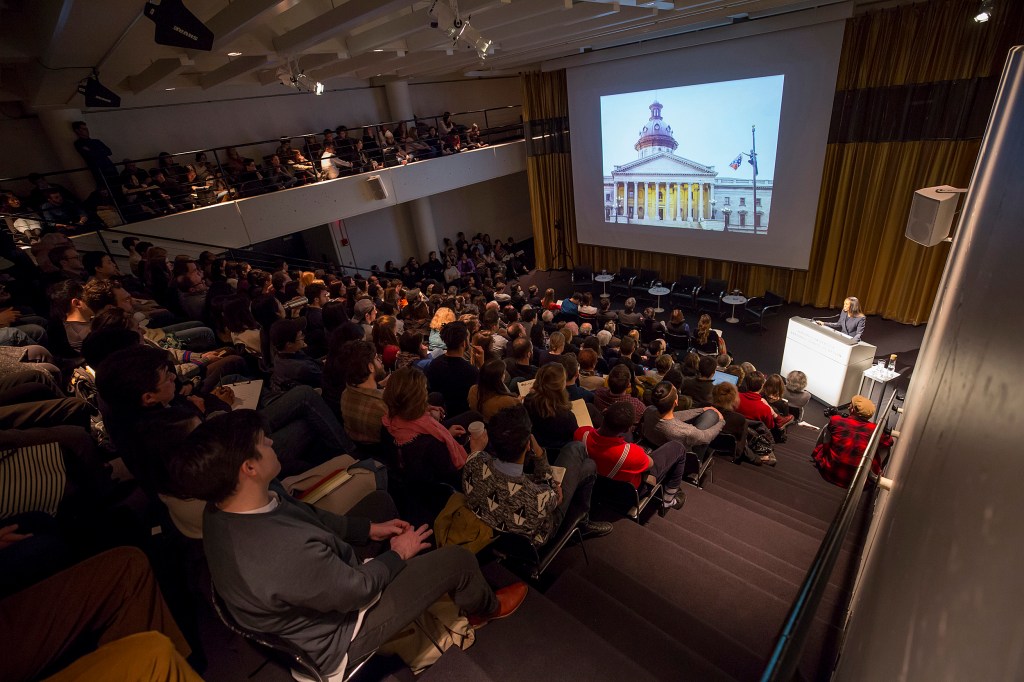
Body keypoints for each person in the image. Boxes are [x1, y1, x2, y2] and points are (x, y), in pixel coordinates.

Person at [172, 409, 526, 678]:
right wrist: (397, 555)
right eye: (264, 441)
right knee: (458, 560)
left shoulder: (226, 507)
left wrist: (368, 530)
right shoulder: (279, 553)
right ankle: (487, 607)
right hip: (339, 635)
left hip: (323, 584)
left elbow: (309, 516)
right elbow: (356, 591)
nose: (272, 442)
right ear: (249, 467)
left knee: (381, 506)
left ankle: (422, 576)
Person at [462, 404, 612, 545]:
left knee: (582, 457)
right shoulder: (539, 495)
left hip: (494, 529)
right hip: (537, 536)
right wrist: (539, 454)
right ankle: (583, 523)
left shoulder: (472, 461)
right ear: (528, 444)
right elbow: (555, 491)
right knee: (586, 460)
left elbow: (476, 454)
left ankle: (583, 520)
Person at [812, 394, 893, 488]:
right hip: (860, 481)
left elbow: (827, 440)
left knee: (828, 428)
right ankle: (876, 473)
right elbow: (890, 442)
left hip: (830, 472)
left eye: (851, 405)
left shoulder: (836, 420)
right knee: (884, 446)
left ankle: (818, 456)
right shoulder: (875, 430)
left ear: (852, 410)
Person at [642, 381, 725, 450]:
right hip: (675, 459)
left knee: (710, 412)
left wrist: (701, 410)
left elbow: (673, 416)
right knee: (712, 414)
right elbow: (706, 437)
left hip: (652, 449)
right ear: (676, 402)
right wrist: (721, 422)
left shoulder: (649, 410)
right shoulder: (686, 432)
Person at [425, 321, 481, 416]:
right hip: (463, 416)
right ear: (464, 343)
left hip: (440, 414)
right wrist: (481, 365)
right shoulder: (471, 371)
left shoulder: (434, 364)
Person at [523, 363, 579, 450]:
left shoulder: (528, 400)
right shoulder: (567, 417)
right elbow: (575, 437)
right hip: (559, 455)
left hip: (535, 448)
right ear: (560, 385)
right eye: (564, 380)